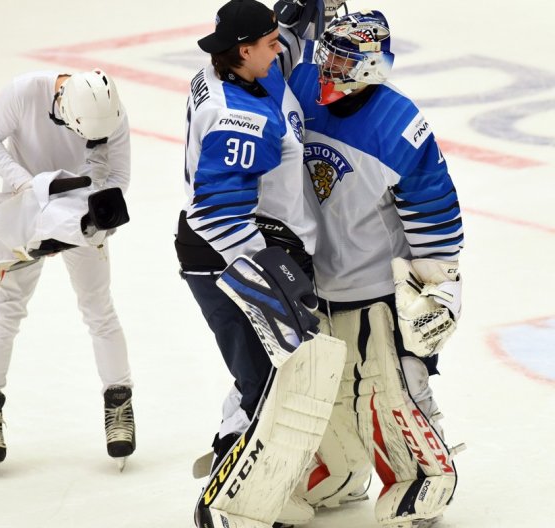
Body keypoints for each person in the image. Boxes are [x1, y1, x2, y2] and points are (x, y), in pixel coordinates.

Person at [287, 9, 466, 527]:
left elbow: (434, 214)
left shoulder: (399, 124)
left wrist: (438, 289)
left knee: (395, 387)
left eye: (343, 56)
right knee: (323, 394)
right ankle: (340, 475)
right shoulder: (303, 84)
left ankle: (420, 479)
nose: (329, 64)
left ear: (371, 66)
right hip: (311, 283)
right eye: (328, 51)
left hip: (372, 290)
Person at [174, 1, 350, 527]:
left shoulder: (241, 67)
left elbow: (285, 41)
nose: (282, 50)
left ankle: (235, 466)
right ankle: (225, 507)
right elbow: (214, 213)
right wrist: (270, 284)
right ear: (244, 51)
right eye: (270, 44)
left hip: (250, 246)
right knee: (267, 383)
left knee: (263, 374)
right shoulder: (239, 120)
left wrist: (297, 19)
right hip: (227, 257)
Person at [0, 68, 136, 474]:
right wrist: (28, 186)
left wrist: (81, 219)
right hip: (25, 209)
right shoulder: (25, 92)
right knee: (8, 308)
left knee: (99, 308)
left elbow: (118, 178)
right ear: (61, 108)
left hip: (81, 216)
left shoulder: (110, 113)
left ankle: (119, 403)